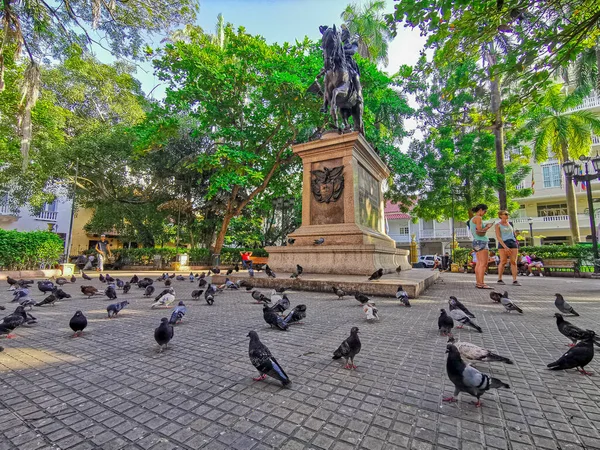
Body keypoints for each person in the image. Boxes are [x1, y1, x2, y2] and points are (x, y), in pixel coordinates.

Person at [468, 204, 494, 289]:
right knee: (483, 263)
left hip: (476, 241)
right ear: (481, 210)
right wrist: (487, 227)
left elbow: (476, 231)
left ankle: (479, 282)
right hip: (481, 241)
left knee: (479, 263)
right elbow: (479, 231)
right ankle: (481, 283)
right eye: (485, 211)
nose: (485, 213)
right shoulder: (478, 218)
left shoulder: (472, 219)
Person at [495, 210, 521, 285]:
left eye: (508, 214)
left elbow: (512, 235)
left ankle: (515, 280)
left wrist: (516, 235)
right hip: (503, 243)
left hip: (512, 242)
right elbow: (498, 237)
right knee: (503, 261)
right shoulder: (498, 225)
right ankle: (499, 279)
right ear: (500, 216)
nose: (507, 215)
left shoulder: (510, 224)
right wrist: (505, 247)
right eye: (505, 214)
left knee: (513, 261)